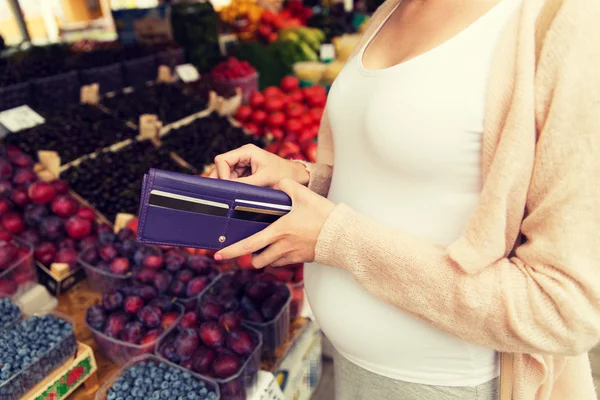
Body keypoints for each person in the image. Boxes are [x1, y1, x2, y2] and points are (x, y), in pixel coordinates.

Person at [209, 0, 600, 398]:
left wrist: (337, 238)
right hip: (354, 367)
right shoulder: (394, 9)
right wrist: (304, 179)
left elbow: (563, 308)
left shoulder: (560, 20)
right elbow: (407, 184)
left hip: (444, 384)